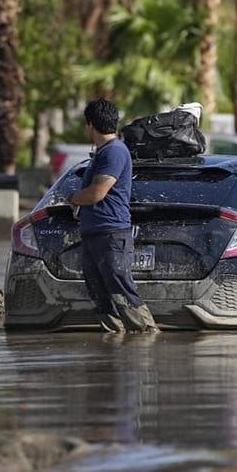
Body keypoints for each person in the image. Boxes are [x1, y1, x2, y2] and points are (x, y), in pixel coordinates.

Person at [68, 98, 159, 333]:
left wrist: (73, 198)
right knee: (100, 295)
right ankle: (113, 349)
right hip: (93, 232)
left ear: (90, 125)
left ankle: (148, 336)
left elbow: (97, 193)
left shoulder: (115, 152)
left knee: (121, 289)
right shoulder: (102, 154)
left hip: (110, 233)